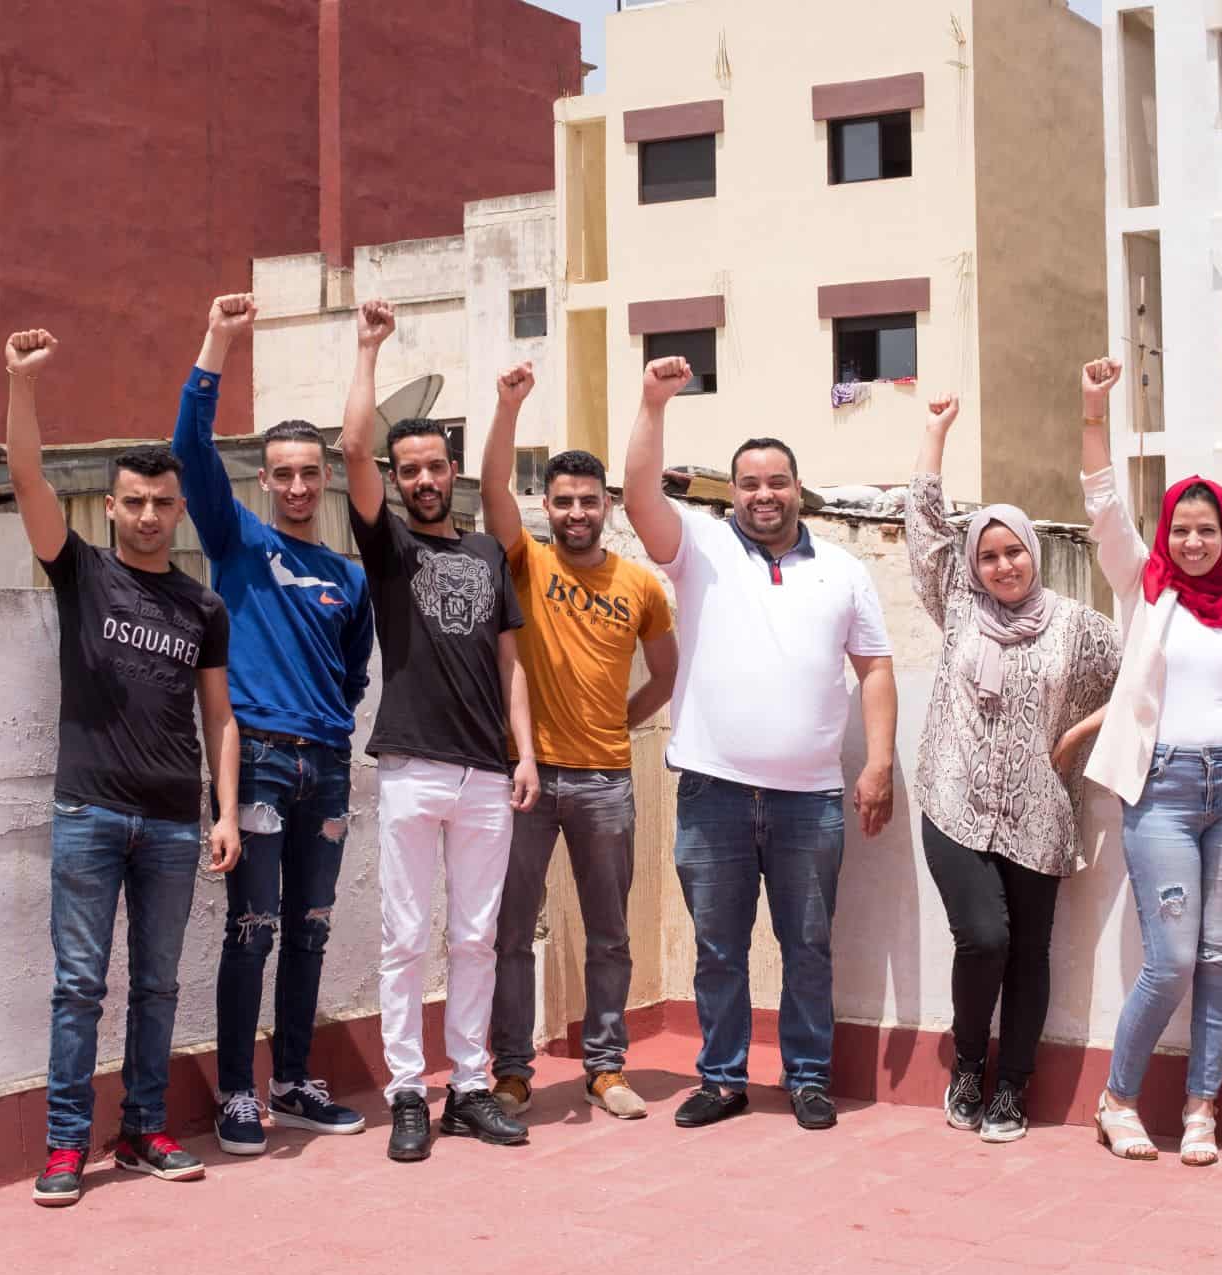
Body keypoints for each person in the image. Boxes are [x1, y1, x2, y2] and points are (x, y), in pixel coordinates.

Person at [621, 356, 897, 1131]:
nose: (764, 494)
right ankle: (723, 1077)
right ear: (732, 491)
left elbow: (874, 669)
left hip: (811, 798)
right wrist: (653, 403)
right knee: (718, 949)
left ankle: (808, 1077)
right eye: (749, 483)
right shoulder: (698, 549)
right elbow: (640, 495)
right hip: (713, 791)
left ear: (797, 489)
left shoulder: (843, 571)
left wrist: (876, 763)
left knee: (807, 946)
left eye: (777, 482)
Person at [1, 329, 242, 1207]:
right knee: (77, 987)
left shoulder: (201, 604)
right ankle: (67, 1145)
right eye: (133, 501)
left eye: (161, 503)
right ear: (108, 506)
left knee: (157, 984)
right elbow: (26, 477)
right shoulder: (82, 574)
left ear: (179, 511)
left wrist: (223, 812)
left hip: (177, 822)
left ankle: (143, 1129)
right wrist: (20, 385)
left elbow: (220, 715)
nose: (147, 514)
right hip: (90, 814)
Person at [170, 293, 374, 1156]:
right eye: (281, 473)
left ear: (324, 477)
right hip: (252, 764)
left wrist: (329, 733)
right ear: (264, 481)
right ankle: (239, 1096)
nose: (296, 486)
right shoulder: (239, 542)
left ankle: (292, 1081)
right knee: (250, 931)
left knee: (310, 929)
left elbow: (353, 672)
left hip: (326, 769)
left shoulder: (348, 576)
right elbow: (187, 448)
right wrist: (219, 339)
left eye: (308, 472)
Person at [1077, 358, 1222, 1167]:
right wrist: (1094, 408)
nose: (1194, 541)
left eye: (1207, 530)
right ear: (1165, 535)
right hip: (1162, 791)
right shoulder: (1146, 590)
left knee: (1221, 954)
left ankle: (1202, 1108)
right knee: (1170, 959)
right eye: (1182, 529)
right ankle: (1118, 1098)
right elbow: (1102, 504)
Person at [340, 299, 539, 1161]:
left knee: (476, 937)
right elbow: (350, 447)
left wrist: (524, 752)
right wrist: (368, 349)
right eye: (407, 468)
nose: (421, 479)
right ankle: (406, 1093)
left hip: (487, 775)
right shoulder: (388, 547)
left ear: (450, 470)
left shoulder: (487, 555)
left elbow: (512, 662)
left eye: (432, 467)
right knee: (405, 938)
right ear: (395, 476)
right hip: (414, 767)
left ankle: (468, 1086)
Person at [907, 394, 1120, 1143]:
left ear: (1035, 552)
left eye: (1014, 551)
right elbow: (927, 531)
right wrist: (935, 434)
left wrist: (1078, 736)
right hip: (952, 798)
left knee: (1031, 952)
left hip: (1037, 810)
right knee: (985, 937)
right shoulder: (959, 607)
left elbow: (1144, 677)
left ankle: (1012, 1088)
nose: (1002, 564)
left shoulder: (1077, 627)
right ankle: (969, 1064)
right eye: (990, 554)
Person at [476, 361, 678, 1121]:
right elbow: (494, 488)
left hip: (606, 784)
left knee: (610, 935)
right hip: (526, 777)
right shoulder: (525, 562)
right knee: (511, 933)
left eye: (588, 501)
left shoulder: (640, 586)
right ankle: (514, 1071)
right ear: (549, 508)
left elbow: (664, 674)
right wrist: (508, 408)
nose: (575, 513)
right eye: (562, 501)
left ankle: (604, 1067)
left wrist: (622, 721)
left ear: (607, 506)